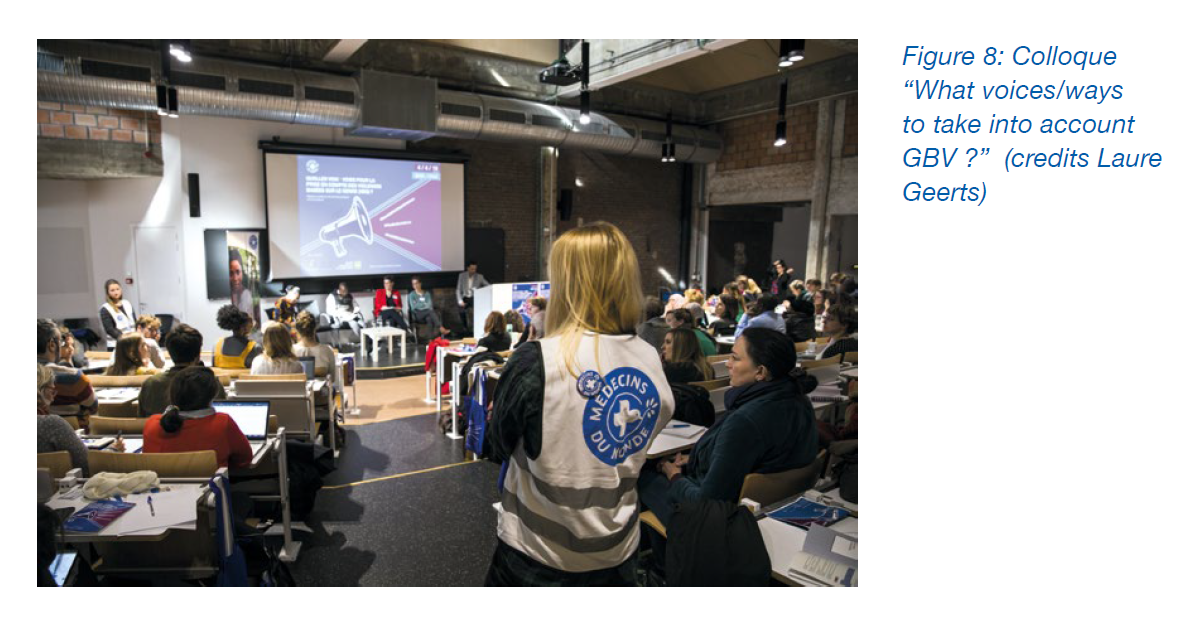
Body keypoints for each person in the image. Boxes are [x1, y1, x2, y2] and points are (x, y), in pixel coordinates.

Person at [485, 221, 674, 586]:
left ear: (568, 284)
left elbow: (496, 447)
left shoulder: (537, 360)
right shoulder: (650, 357)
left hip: (537, 555)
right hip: (619, 549)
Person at [639, 328, 819, 529]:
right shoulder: (799, 401)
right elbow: (758, 458)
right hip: (772, 508)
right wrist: (701, 457)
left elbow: (706, 502)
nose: (728, 363)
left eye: (735, 358)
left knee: (642, 474)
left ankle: (660, 547)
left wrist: (673, 475)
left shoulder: (746, 421)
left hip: (715, 521)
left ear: (760, 372)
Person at [143, 366, 253, 469]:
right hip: (212, 483)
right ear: (212, 395)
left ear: (172, 393)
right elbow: (244, 459)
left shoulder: (152, 424)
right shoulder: (222, 423)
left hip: (160, 483)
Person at [139, 323, 227, 417]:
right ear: (198, 354)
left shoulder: (150, 384)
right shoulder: (211, 383)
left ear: (170, 352)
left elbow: (142, 416)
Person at [37, 319, 98, 424]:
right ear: (52, 345)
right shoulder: (74, 377)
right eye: (61, 342)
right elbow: (93, 407)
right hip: (74, 432)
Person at [37, 363, 89, 475]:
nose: (53, 398)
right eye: (52, 391)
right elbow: (86, 466)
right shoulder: (51, 425)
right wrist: (112, 450)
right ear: (41, 391)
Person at [214, 304, 261, 369]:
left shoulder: (217, 344)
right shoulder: (254, 347)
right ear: (245, 326)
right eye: (251, 322)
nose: (252, 325)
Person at [293, 311, 338, 376]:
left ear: (297, 330)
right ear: (315, 328)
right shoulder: (327, 350)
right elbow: (333, 378)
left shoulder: (291, 350)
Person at [98, 279, 137, 350]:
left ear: (121, 289)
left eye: (117, 289)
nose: (116, 292)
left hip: (133, 341)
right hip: (116, 344)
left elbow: (135, 321)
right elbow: (110, 329)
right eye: (112, 290)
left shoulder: (127, 303)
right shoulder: (105, 308)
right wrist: (125, 339)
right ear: (108, 293)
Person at [456, 260, 491, 329]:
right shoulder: (462, 276)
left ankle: (477, 326)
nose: (473, 271)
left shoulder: (479, 277)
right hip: (465, 297)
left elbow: (488, 286)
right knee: (461, 310)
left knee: (476, 309)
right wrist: (460, 301)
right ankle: (465, 327)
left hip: (474, 297)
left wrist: (481, 291)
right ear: (468, 268)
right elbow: (458, 289)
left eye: (475, 269)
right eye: (472, 269)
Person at [229, 248, 255, 322]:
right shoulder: (228, 294)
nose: (235, 278)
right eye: (231, 273)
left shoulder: (246, 294)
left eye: (238, 272)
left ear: (242, 272)